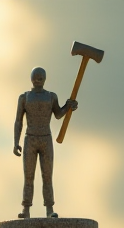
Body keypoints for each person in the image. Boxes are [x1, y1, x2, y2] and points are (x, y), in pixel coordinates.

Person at [13, 67, 77, 219]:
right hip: (30, 138)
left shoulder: (51, 96)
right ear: (31, 78)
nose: (38, 79)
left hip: (45, 139)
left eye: (41, 77)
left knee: (47, 176)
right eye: (36, 76)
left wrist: (68, 107)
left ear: (45, 79)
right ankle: (26, 209)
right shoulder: (24, 97)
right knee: (28, 176)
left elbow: (58, 114)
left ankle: (49, 209)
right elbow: (18, 121)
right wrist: (16, 142)